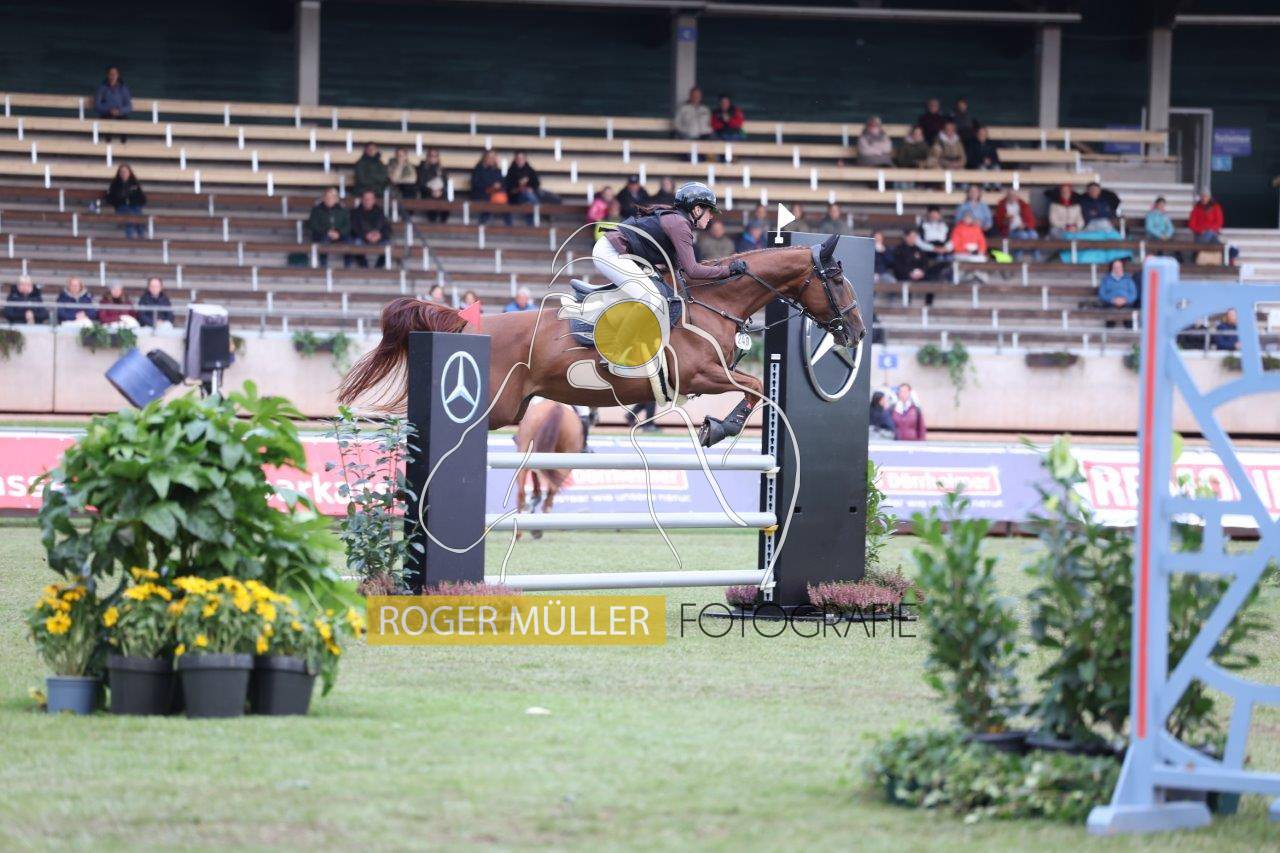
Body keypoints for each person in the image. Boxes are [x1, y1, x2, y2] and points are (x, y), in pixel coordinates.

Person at [595, 181, 738, 323]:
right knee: (653, 300)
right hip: (611, 252)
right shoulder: (680, 224)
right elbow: (693, 271)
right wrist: (729, 270)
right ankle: (618, 337)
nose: (711, 216)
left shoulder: (678, 221)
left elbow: (680, 269)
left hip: (617, 251)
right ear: (697, 210)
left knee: (661, 293)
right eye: (710, 211)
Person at [307, 187, 350, 267]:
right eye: (327, 197)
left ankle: (347, 266)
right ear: (323, 198)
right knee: (323, 241)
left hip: (339, 235)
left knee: (349, 242)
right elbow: (313, 224)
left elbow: (348, 225)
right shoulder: (317, 210)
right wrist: (327, 232)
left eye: (332, 197)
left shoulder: (343, 210)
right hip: (322, 234)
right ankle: (323, 265)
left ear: (336, 199)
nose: (329, 199)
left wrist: (339, 233)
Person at [348, 189, 391, 268]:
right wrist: (365, 235)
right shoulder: (355, 212)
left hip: (378, 238)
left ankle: (378, 268)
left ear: (374, 200)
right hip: (362, 238)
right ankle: (364, 267)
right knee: (356, 243)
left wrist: (379, 235)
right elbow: (353, 228)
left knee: (388, 245)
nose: (368, 201)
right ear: (362, 200)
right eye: (366, 199)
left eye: (370, 199)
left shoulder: (380, 212)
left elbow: (386, 227)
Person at [104, 164, 146, 239]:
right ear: (119, 173)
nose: (124, 174)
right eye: (121, 172)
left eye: (125, 172)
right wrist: (119, 200)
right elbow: (109, 198)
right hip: (121, 208)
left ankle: (141, 238)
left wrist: (133, 199)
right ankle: (130, 239)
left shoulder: (134, 183)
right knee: (129, 217)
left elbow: (142, 199)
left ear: (129, 173)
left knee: (135, 216)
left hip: (134, 207)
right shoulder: (115, 184)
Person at [94, 65, 132, 142]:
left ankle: (123, 144)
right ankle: (108, 143)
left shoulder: (123, 88)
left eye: (115, 74)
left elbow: (129, 106)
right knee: (108, 121)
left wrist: (119, 110)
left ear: (118, 75)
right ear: (108, 75)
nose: (113, 76)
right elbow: (97, 105)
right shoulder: (102, 88)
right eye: (111, 74)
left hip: (120, 114)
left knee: (125, 121)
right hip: (107, 114)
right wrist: (109, 110)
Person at [470, 150, 507, 225]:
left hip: (494, 194)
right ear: (485, 158)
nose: (492, 159)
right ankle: (482, 224)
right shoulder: (478, 169)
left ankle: (510, 226)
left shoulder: (496, 170)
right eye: (490, 157)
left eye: (494, 157)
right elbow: (475, 184)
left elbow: (502, 183)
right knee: (488, 202)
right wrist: (491, 185)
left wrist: (498, 186)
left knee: (506, 203)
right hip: (481, 194)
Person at [504, 151, 541, 223]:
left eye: (522, 158)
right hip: (515, 197)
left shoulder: (530, 171)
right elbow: (508, 186)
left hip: (528, 196)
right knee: (528, 197)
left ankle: (535, 209)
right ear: (515, 159)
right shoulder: (511, 171)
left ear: (525, 159)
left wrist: (531, 188)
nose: (520, 160)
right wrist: (518, 186)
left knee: (528, 199)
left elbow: (536, 183)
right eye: (518, 158)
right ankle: (537, 206)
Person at [415, 148, 450, 222]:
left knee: (446, 201)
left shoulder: (441, 169)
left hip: (440, 193)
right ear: (427, 157)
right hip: (427, 193)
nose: (433, 158)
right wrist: (431, 191)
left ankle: (443, 222)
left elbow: (445, 183)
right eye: (431, 156)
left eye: (435, 156)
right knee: (431, 201)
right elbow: (420, 184)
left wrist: (440, 191)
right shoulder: (422, 168)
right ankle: (432, 222)